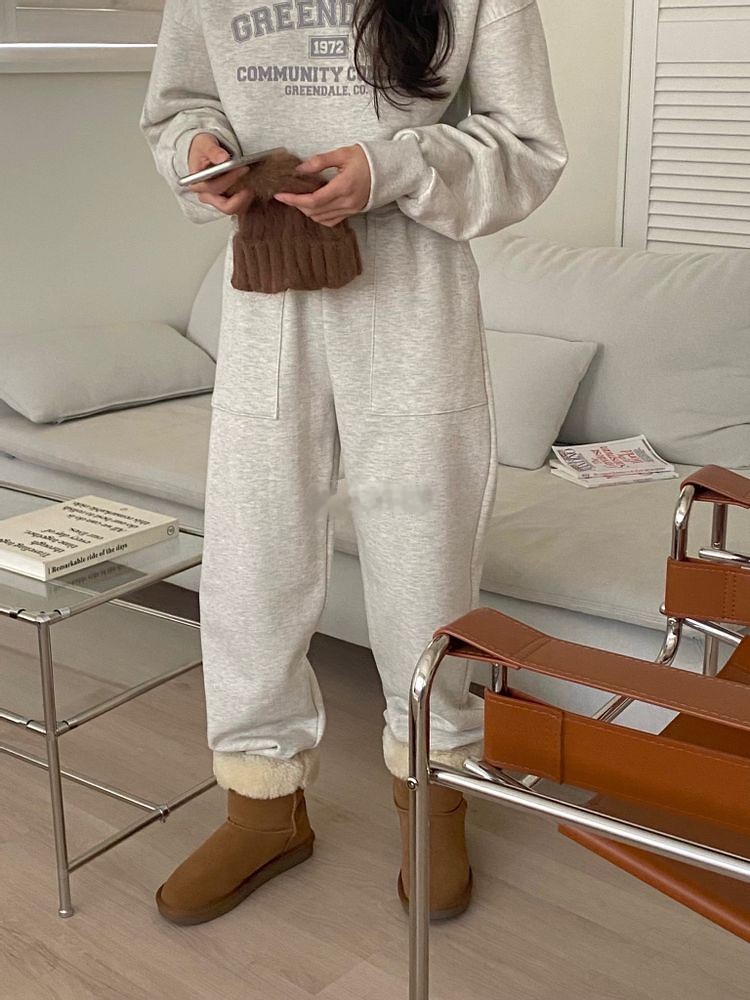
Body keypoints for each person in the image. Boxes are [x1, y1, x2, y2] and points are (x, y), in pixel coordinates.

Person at [139, 0, 568, 926]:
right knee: (253, 556)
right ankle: (261, 806)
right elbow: (175, 107)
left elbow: (528, 147)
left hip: (412, 291)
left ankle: (434, 792)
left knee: (425, 555)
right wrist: (199, 154)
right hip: (266, 287)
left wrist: (391, 166)